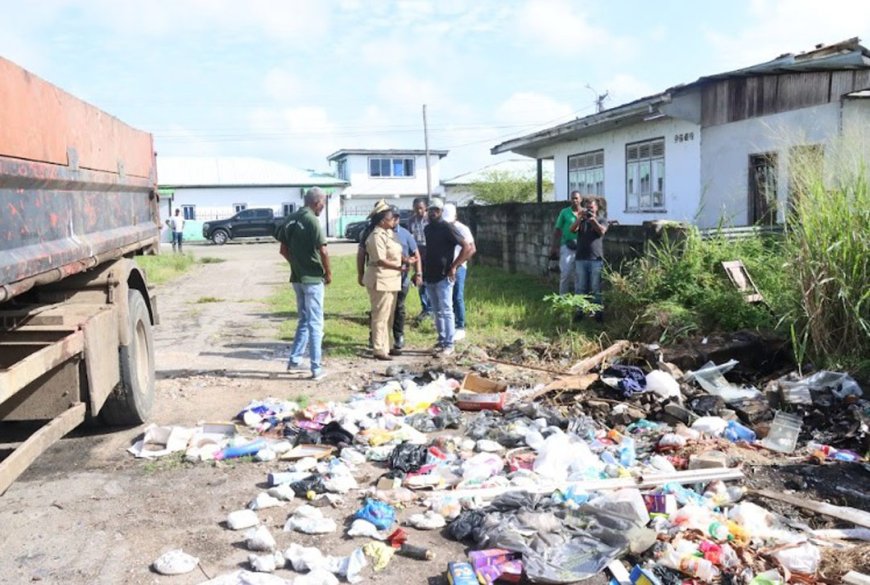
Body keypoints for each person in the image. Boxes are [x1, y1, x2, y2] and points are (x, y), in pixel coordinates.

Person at [276, 187, 332, 380]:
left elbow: (283, 250)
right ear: (317, 202)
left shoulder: (291, 218)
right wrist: (328, 273)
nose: (323, 207)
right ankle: (316, 368)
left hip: (298, 278)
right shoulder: (311, 220)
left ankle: (294, 361)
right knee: (316, 323)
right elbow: (323, 250)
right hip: (313, 279)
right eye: (323, 204)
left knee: (304, 320)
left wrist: (296, 264)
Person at [423, 198, 473, 356]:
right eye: (430, 210)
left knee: (446, 310)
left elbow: (467, 247)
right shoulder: (427, 229)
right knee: (436, 311)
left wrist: (454, 266)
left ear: (441, 212)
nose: (432, 213)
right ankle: (441, 340)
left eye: (436, 210)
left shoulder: (447, 228)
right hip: (430, 274)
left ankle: (449, 344)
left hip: (444, 275)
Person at [362, 207, 405, 360]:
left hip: (392, 279)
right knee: (380, 315)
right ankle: (379, 349)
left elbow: (395, 253)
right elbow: (380, 259)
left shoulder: (390, 234)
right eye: (391, 218)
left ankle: (387, 345)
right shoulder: (376, 236)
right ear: (382, 221)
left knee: (389, 315)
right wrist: (399, 267)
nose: (394, 221)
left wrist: (406, 260)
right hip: (380, 279)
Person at [441, 203, 476, 341]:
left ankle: (460, 327)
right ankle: (449, 325)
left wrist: (457, 265)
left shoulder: (462, 229)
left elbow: (472, 249)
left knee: (457, 296)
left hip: (459, 266)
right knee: (446, 297)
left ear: (455, 216)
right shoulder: (442, 227)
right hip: (444, 266)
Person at [570, 197, 608, 322]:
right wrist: (580, 218)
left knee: (596, 287)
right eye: (587, 208)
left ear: (596, 208)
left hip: (595, 259)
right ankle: (579, 312)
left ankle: (598, 314)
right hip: (581, 258)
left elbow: (602, 232)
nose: (589, 210)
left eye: (591, 207)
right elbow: (572, 229)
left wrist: (593, 220)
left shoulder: (602, 220)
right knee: (581, 287)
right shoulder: (582, 221)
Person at [549, 191, 583, 294]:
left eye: (576, 198)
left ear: (581, 199)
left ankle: (578, 299)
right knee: (565, 273)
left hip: (581, 247)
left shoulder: (584, 213)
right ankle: (563, 298)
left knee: (579, 275)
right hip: (567, 246)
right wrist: (554, 247)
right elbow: (558, 230)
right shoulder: (565, 212)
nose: (574, 200)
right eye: (572, 198)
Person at [407, 197, 432, 323]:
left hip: (430, 252)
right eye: (416, 209)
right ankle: (425, 308)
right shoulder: (411, 221)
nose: (419, 211)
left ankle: (431, 309)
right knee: (419, 280)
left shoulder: (430, 219)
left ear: (426, 208)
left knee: (430, 282)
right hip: (418, 253)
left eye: (421, 208)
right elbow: (410, 239)